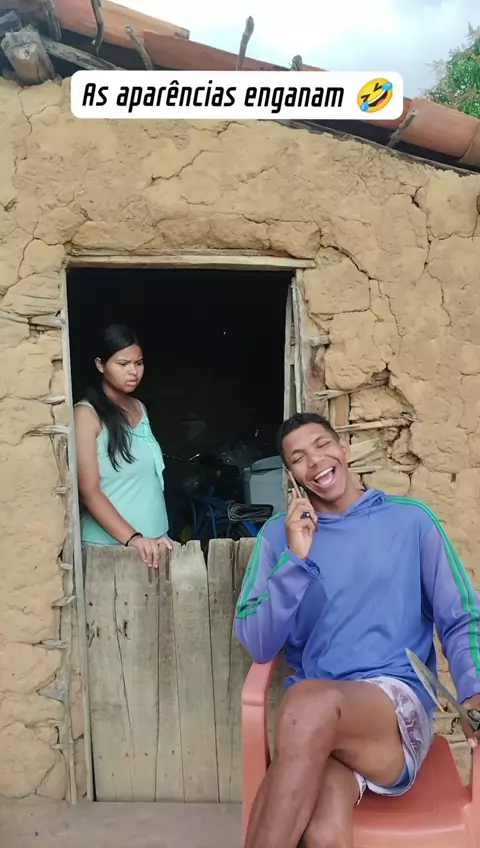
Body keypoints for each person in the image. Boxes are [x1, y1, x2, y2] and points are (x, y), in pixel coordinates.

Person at [234, 412, 480, 848]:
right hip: (316, 731)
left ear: (344, 449)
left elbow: (460, 616)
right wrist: (296, 560)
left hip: (392, 714)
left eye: (322, 445)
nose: (315, 462)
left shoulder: (410, 520)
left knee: (308, 701)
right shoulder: (278, 537)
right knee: (321, 834)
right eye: (299, 458)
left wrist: (473, 691)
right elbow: (258, 643)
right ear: (291, 476)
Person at [74, 324, 172, 568]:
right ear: (100, 365)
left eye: (138, 363)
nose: (133, 372)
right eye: (123, 364)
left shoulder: (139, 408)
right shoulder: (86, 415)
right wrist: (133, 538)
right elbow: (89, 491)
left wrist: (156, 533)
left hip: (154, 544)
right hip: (110, 550)